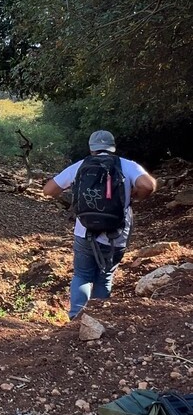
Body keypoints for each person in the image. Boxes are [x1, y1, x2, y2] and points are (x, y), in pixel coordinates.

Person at [43, 129, 156, 319]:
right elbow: (148, 185)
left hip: (84, 231)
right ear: (112, 148)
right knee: (104, 277)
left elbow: (48, 190)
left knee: (82, 275)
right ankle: (98, 319)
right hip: (116, 234)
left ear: (91, 148)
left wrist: (73, 196)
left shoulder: (80, 165)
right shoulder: (127, 166)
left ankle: (76, 320)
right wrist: (136, 196)